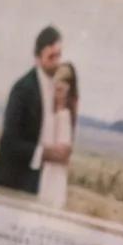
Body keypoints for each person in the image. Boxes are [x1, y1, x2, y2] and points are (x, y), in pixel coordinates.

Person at [0, 26, 70, 196]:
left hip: (38, 180)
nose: (57, 62)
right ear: (37, 57)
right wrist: (45, 153)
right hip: (13, 181)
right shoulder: (22, 89)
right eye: (51, 56)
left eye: (59, 55)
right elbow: (8, 142)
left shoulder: (56, 89)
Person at [38, 62, 78, 211]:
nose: (61, 86)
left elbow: (63, 151)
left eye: (66, 81)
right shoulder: (49, 113)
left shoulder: (65, 116)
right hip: (44, 172)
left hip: (56, 175)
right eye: (59, 80)